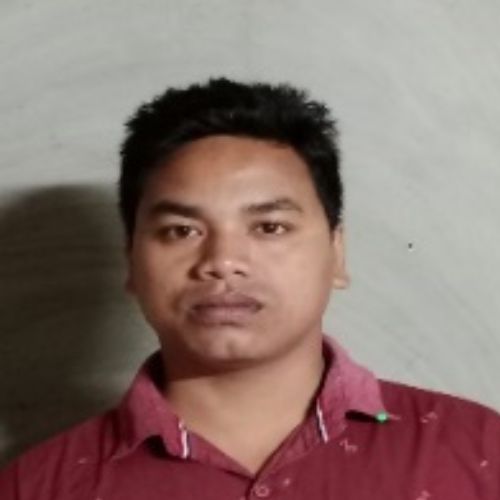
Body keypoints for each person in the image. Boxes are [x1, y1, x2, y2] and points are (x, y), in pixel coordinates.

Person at [0, 78, 499, 499]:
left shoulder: (480, 453)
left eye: (269, 227)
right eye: (181, 230)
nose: (222, 262)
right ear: (132, 260)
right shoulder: (38, 487)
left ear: (337, 253)